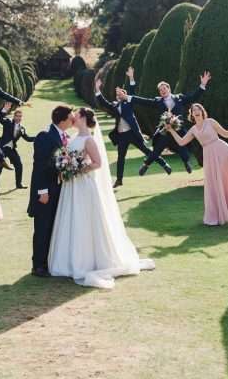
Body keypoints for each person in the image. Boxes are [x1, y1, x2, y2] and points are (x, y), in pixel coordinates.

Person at [48, 108, 155, 289]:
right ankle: (68, 260)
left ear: (83, 118)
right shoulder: (73, 138)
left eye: (76, 115)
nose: (73, 118)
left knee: (85, 220)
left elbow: (98, 163)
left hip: (83, 185)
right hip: (71, 186)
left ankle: (88, 261)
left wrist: (77, 169)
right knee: (72, 218)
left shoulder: (89, 140)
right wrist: (67, 166)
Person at [95, 67, 170, 188]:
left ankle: (164, 164)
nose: (119, 95)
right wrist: (98, 89)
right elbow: (103, 102)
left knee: (147, 151)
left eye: (121, 93)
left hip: (132, 133)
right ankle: (119, 180)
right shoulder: (114, 105)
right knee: (121, 158)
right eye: (117, 94)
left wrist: (131, 77)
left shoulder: (128, 103)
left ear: (125, 95)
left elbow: (132, 91)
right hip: (122, 136)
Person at [129, 70, 211, 175]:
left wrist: (202, 84)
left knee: (182, 147)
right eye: (160, 90)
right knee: (157, 149)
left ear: (169, 89)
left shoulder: (179, 98)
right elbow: (143, 101)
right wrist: (129, 98)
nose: (162, 91)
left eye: (164, 88)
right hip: (165, 130)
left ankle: (186, 163)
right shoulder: (158, 101)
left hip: (179, 130)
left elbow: (193, 97)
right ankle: (146, 165)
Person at [28, 105, 74, 278]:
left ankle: (49, 261)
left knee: (53, 226)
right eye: (70, 118)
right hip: (46, 191)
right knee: (43, 227)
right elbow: (40, 166)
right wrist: (42, 191)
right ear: (62, 120)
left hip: (58, 188)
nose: (73, 120)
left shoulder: (64, 137)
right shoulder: (45, 136)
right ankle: (38, 265)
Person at [0, 102, 34, 191]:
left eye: (20, 116)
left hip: (11, 149)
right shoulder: (8, 122)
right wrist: (4, 109)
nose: (18, 118)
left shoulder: (22, 129)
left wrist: (39, 137)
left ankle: (19, 184)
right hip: (2, 149)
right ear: (14, 116)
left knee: (19, 165)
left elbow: (28, 138)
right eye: (17, 116)